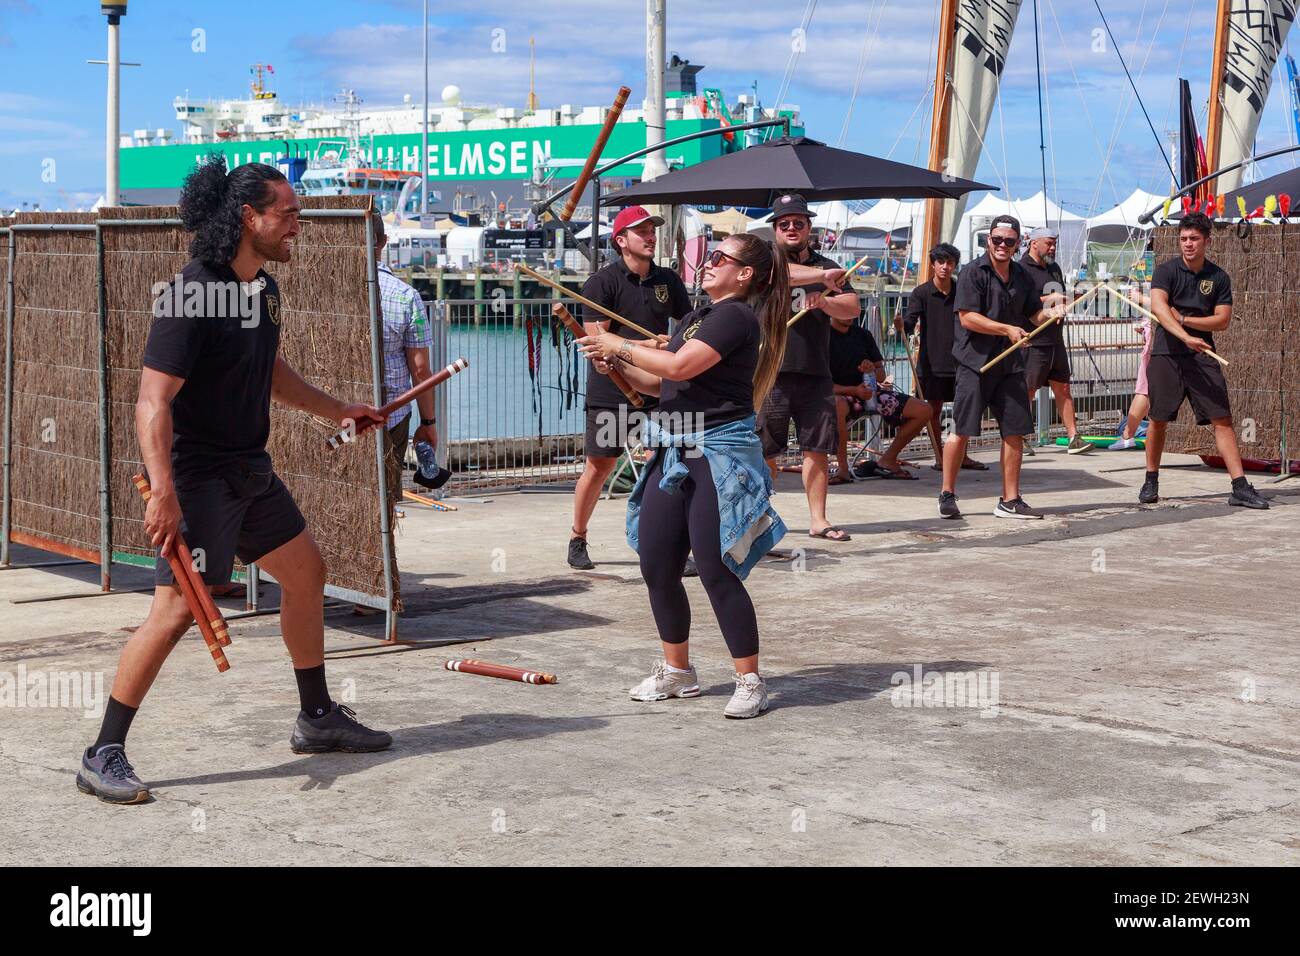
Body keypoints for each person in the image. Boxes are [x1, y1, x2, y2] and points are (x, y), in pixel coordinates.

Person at [75, 158, 393, 805]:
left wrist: (340, 410)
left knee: (306, 572)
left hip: (249, 470)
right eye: (289, 212)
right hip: (197, 480)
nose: (299, 223)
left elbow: (272, 373)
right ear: (250, 218)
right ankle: (102, 750)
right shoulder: (191, 293)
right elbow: (151, 402)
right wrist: (163, 491)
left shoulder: (263, 291)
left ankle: (316, 717)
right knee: (171, 613)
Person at [577, 233, 789, 719]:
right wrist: (618, 364)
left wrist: (618, 341)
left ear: (745, 274)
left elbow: (678, 362)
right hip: (674, 447)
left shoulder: (736, 316)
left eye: (720, 257)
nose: (708, 262)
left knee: (716, 568)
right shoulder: (698, 317)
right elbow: (660, 380)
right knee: (656, 562)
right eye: (710, 255)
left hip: (714, 452)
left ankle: (749, 679)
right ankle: (679, 671)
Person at [569, 205, 693, 570]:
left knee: (677, 461)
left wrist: (669, 346)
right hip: (613, 386)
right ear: (621, 240)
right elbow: (597, 342)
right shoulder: (602, 282)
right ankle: (578, 536)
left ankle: (674, 545)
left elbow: (686, 330)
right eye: (642, 231)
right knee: (600, 466)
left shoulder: (668, 281)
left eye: (652, 230)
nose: (651, 235)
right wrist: (649, 347)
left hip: (659, 386)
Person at [1140, 212, 1268, 508]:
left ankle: (1239, 486)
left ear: (1206, 241)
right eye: (1183, 238)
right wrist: (1184, 335)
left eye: (1194, 239)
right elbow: (1160, 309)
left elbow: (1222, 321)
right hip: (1167, 354)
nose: (1188, 244)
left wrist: (1185, 319)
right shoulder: (1165, 271)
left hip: (1202, 355)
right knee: (1158, 419)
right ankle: (1151, 479)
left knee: (1222, 419)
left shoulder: (1218, 277)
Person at [756, 193, 862, 542]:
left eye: (797, 223)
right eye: (784, 223)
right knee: (765, 449)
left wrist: (826, 301)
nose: (791, 228)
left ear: (808, 227)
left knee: (816, 447)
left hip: (815, 371)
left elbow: (852, 308)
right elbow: (780, 274)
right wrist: (819, 277)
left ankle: (819, 519)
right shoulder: (764, 263)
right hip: (771, 370)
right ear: (775, 229)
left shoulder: (827, 265)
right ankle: (761, 519)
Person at [940, 215, 1056, 520]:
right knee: (960, 431)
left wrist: (1053, 313)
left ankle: (1010, 499)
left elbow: (1033, 315)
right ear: (988, 241)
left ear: (1018, 244)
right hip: (974, 363)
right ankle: (947, 493)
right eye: (997, 239)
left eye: (1009, 240)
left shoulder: (1021, 275)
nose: (1002, 245)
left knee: (1014, 432)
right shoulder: (971, 272)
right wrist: (1007, 329)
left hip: (1011, 364)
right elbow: (967, 318)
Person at [372, 212, 443, 501]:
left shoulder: (330, 294)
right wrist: (428, 424)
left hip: (340, 411)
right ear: (384, 242)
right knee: (386, 496)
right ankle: (384, 544)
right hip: (392, 412)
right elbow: (421, 370)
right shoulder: (405, 295)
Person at [901, 243, 986, 471]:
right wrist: (901, 326)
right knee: (933, 412)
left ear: (955, 265)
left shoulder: (962, 291)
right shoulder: (921, 292)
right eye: (941, 262)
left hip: (962, 361)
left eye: (950, 263)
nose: (945, 267)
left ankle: (962, 456)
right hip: (932, 364)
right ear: (933, 264)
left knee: (963, 411)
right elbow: (910, 321)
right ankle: (940, 457)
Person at [828, 314, 930, 480]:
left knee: (924, 410)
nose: (850, 314)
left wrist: (870, 370)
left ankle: (888, 459)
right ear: (832, 310)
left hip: (870, 392)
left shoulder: (863, 335)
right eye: (844, 309)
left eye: (853, 309)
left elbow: (881, 376)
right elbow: (820, 384)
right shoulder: (821, 337)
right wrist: (854, 390)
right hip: (840, 393)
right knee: (837, 404)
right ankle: (842, 468)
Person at [1018, 227, 1092, 455]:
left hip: (1055, 339)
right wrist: (1048, 299)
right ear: (1034, 244)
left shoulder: (1054, 268)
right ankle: (1018, 436)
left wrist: (1071, 299)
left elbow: (1060, 297)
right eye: (1048, 244)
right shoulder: (1020, 270)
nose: (1053, 248)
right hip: (1033, 339)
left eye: (1054, 244)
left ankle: (1073, 437)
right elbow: (1018, 301)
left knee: (1064, 387)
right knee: (1028, 390)